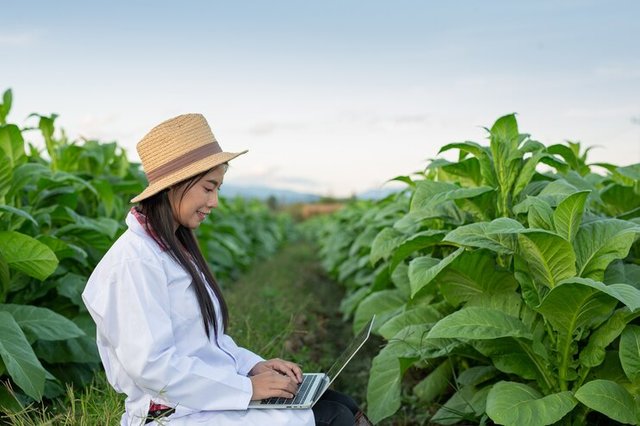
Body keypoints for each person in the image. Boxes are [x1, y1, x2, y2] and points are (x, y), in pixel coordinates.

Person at [82, 114, 370, 425]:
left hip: (203, 399)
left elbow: (207, 343)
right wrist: (246, 388)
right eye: (209, 187)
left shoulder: (171, 249)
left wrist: (252, 367)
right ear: (174, 185)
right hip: (170, 414)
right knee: (331, 417)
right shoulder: (134, 262)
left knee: (338, 402)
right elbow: (153, 367)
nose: (214, 201)